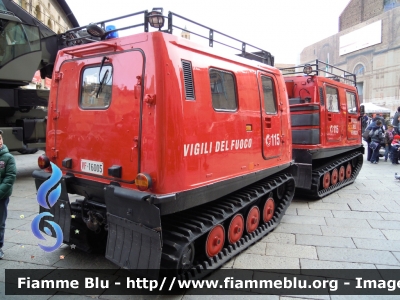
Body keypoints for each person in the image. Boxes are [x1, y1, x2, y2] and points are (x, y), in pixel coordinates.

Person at [0, 130, 17, 259]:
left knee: (0, 222)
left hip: (2, 196)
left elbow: (10, 177)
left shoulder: (8, 158)